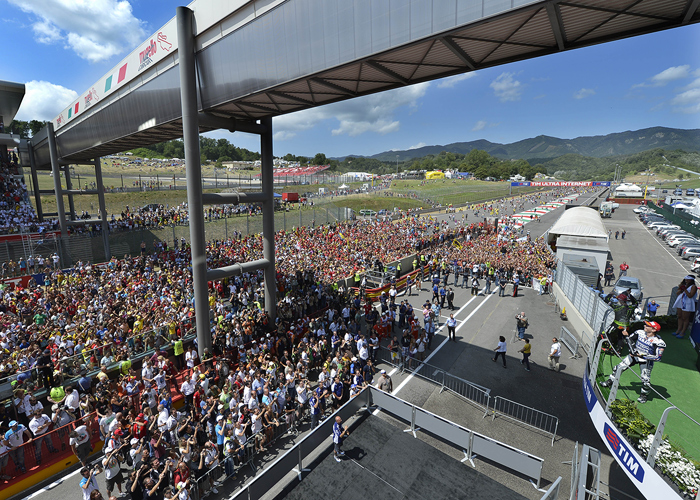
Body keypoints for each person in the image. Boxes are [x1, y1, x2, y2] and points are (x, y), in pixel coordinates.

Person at [601, 321, 665, 403]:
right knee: (618, 368)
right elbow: (630, 340)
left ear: (653, 330)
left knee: (645, 380)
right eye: (645, 324)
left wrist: (641, 356)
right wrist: (627, 337)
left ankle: (644, 394)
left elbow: (658, 357)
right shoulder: (639, 332)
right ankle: (610, 381)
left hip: (646, 360)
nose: (644, 325)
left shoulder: (659, 342)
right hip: (633, 356)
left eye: (647, 325)